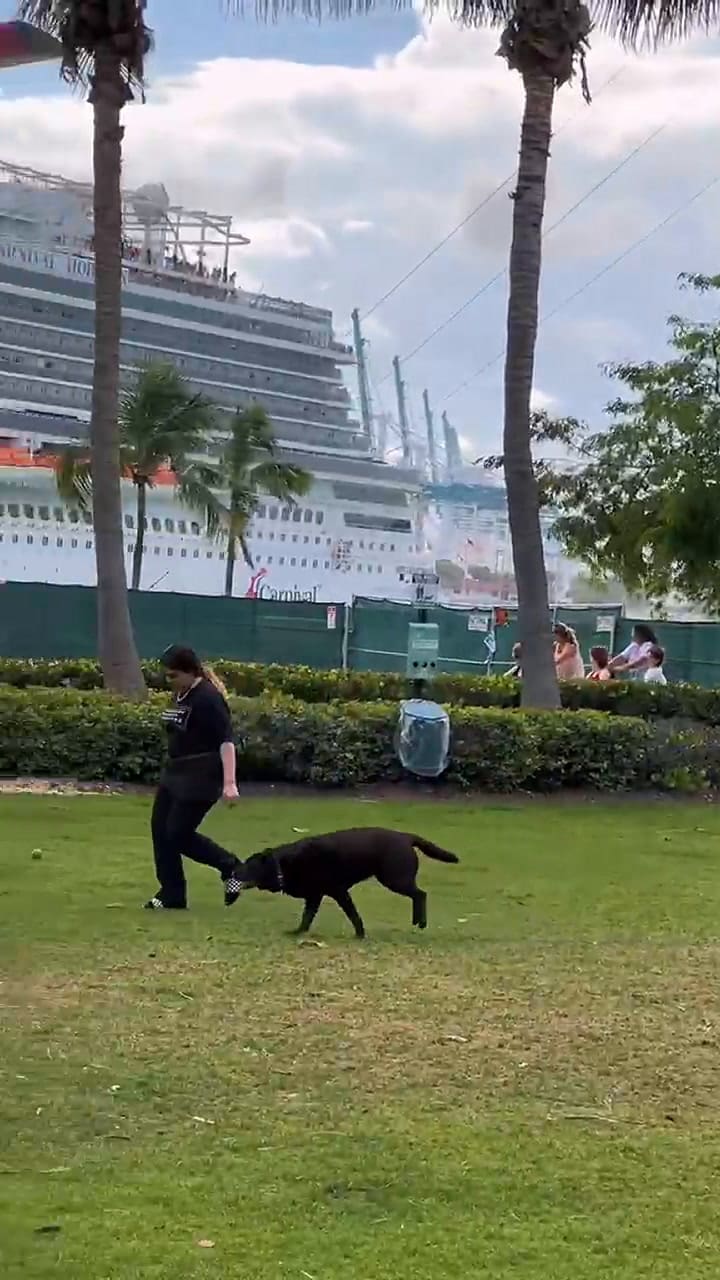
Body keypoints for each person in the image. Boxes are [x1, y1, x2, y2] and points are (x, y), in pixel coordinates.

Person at [144, 645, 243, 911]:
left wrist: (230, 782)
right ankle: (172, 893)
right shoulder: (181, 694)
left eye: (173, 676)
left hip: (202, 776)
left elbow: (226, 741)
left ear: (190, 672)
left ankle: (231, 867)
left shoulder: (208, 698)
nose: (169, 681)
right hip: (175, 773)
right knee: (160, 832)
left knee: (178, 833)